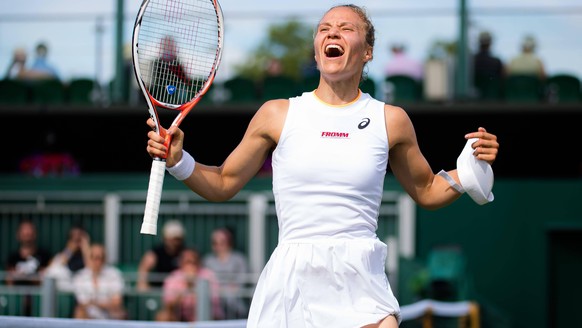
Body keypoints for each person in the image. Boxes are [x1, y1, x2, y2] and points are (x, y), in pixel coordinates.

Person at [145, 4, 499, 328]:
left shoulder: (391, 120)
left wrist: (470, 168)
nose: (333, 33)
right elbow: (223, 183)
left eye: (346, 28)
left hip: (361, 280)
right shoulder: (276, 114)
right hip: (291, 281)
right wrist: (179, 160)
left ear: (368, 50)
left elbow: (426, 189)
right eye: (324, 28)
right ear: (316, 50)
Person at [156, 248, 223, 322]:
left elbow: (213, 300)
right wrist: (185, 290)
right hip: (180, 317)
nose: (190, 265)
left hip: (206, 316)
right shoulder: (173, 277)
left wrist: (194, 285)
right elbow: (168, 304)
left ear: (198, 262)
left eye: (193, 262)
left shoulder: (208, 275)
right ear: (181, 263)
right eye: (187, 262)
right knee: (163, 316)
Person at [5, 219, 52, 316]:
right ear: (18, 235)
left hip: (38, 302)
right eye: (24, 232)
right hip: (16, 304)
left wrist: (24, 276)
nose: (27, 234)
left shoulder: (44, 255)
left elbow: (46, 279)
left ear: (35, 234)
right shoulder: (13, 257)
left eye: (29, 232)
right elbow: (9, 281)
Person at [203, 228, 250, 319]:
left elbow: (242, 279)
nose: (219, 246)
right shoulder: (208, 261)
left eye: (222, 242)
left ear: (229, 242)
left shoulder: (239, 259)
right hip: (214, 303)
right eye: (215, 243)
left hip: (236, 304)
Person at [72, 243, 126, 320]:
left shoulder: (114, 275)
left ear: (104, 259)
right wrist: (102, 304)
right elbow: (82, 303)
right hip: (88, 315)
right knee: (79, 312)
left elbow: (116, 302)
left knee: (119, 312)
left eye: (99, 258)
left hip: (110, 313)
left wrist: (95, 303)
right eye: (93, 257)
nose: (96, 261)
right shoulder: (80, 277)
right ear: (88, 258)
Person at [137, 219, 185, 291]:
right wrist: (144, 286)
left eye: (177, 239)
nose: (175, 243)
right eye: (172, 239)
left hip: (178, 292)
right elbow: (143, 269)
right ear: (165, 238)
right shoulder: (155, 253)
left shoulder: (185, 253)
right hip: (158, 291)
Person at [45, 225, 91, 291]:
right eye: (74, 238)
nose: (77, 242)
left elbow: (92, 270)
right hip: (64, 290)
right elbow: (53, 269)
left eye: (79, 239)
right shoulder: (63, 255)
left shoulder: (90, 255)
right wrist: (69, 250)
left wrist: (86, 249)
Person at [472, 31, 504, 99]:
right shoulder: (496, 62)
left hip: (475, 100)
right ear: (490, 43)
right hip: (493, 99)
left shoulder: (471, 61)